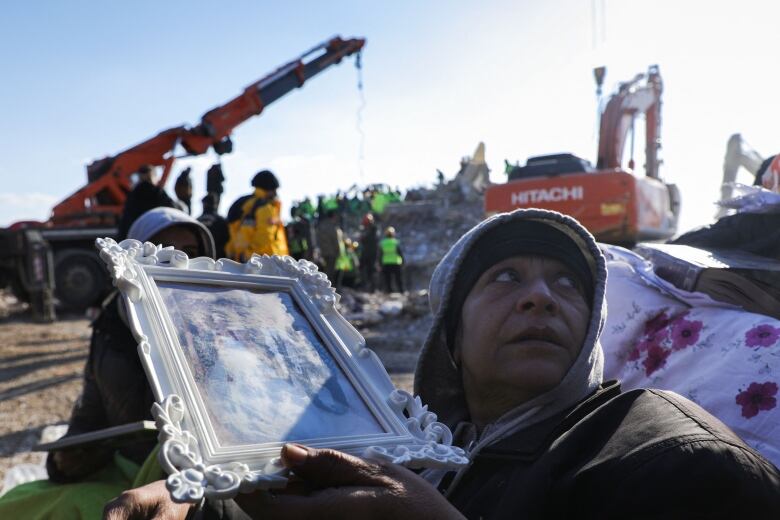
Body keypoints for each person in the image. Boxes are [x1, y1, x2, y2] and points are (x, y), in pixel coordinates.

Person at [106, 208, 780, 519]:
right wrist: (198, 501)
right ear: (451, 340)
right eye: (505, 278)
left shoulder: (669, 457)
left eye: (568, 283)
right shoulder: (424, 448)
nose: (541, 296)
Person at [48, 208, 216, 484]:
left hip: (206, 480)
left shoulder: (222, 328)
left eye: (191, 250)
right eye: (163, 251)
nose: (179, 261)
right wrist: (65, 459)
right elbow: (91, 414)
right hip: (130, 473)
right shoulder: (110, 327)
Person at [225, 170, 289, 261]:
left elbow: (233, 233)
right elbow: (265, 236)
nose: (275, 193)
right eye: (274, 189)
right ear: (268, 189)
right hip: (267, 262)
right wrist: (250, 255)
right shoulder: (266, 208)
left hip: (242, 260)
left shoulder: (245, 204)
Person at [116, 165, 176, 240]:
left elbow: (125, 222)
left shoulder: (132, 195)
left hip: (134, 239)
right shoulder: (158, 193)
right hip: (155, 236)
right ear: (153, 176)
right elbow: (172, 212)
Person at [198, 193, 229, 259]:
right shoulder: (222, 221)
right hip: (218, 260)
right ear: (216, 204)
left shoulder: (196, 221)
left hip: (199, 259)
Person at [315, 210, 343, 281]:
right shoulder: (333, 226)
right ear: (333, 216)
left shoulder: (321, 225)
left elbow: (318, 238)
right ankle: (327, 286)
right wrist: (338, 251)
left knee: (326, 269)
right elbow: (335, 239)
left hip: (323, 251)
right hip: (332, 252)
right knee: (330, 271)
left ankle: (325, 284)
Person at [379, 226, 404, 293]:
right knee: (398, 279)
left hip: (386, 263)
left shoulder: (383, 243)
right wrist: (403, 261)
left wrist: (380, 264)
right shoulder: (395, 242)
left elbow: (380, 254)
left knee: (388, 279)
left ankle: (389, 291)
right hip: (396, 262)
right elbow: (400, 253)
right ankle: (401, 291)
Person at [358, 212, 379, 292]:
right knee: (364, 269)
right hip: (366, 253)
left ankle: (372, 288)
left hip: (371, 253)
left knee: (371, 271)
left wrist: (363, 238)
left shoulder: (373, 229)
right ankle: (366, 286)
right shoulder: (366, 229)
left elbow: (368, 239)